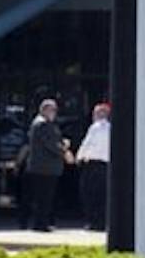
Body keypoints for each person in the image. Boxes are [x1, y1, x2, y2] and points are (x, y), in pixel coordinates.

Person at [21, 98, 72, 232]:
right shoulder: (42, 124)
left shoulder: (44, 124)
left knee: (45, 197)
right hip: (44, 168)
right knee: (43, 197)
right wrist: (64, 150)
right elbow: (51, 145)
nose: (55, 113)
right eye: (52, 110)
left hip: (45, 168)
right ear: (44, 110)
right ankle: (40, 224)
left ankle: (42, 222)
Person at [77, 100, 111, 230]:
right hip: (106, 165)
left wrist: (78, 157)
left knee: (90, 194)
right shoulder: (111, 128)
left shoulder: (95, 127)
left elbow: (87, 144)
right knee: (103, 195)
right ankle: (102, 222)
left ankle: (93, 222)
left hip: (93, 165)